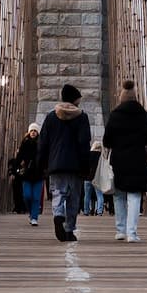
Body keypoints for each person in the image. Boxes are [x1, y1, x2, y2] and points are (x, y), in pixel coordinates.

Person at [36, 85, 93, 244]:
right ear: (75, 99)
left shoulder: (51, 117)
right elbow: (84, 143)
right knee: (74, 199)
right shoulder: (82, 117)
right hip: (75, 165)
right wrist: (86, 166)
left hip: (56, 164)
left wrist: (41, 165)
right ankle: (69, 230)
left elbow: (43, 143)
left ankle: (58, 215)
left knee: (58, 193)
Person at [103, 79, 147, 244]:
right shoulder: (143, 115)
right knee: (134, 196)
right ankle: (132, 233)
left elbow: (106, 141)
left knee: (119, 195)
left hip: (118, 160)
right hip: (137, 160)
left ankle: (120, 231)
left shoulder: (114, 115)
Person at [11, 124, 45, 226]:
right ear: (29, 132)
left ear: (38, 132)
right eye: (31, 131)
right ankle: (31, 212)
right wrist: (16, 170)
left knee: (36, 197)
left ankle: (34, 217)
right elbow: (19, 158)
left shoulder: (42, 144)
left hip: (38, 174)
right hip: (27, 174)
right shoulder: (24, 143)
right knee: (27, 196)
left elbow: (45, 158)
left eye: (35, 131)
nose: (33, 132)